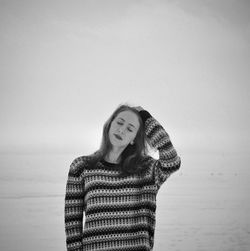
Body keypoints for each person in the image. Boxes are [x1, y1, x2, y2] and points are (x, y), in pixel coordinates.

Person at [64, 103, 181, 251]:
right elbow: (72, 225)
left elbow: (172, 161)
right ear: (109, 125)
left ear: (134, 138)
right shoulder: (81, 167)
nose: (121, 130)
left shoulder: (146, 169)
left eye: (130, 129)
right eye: (119, 123)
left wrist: (145, 116)